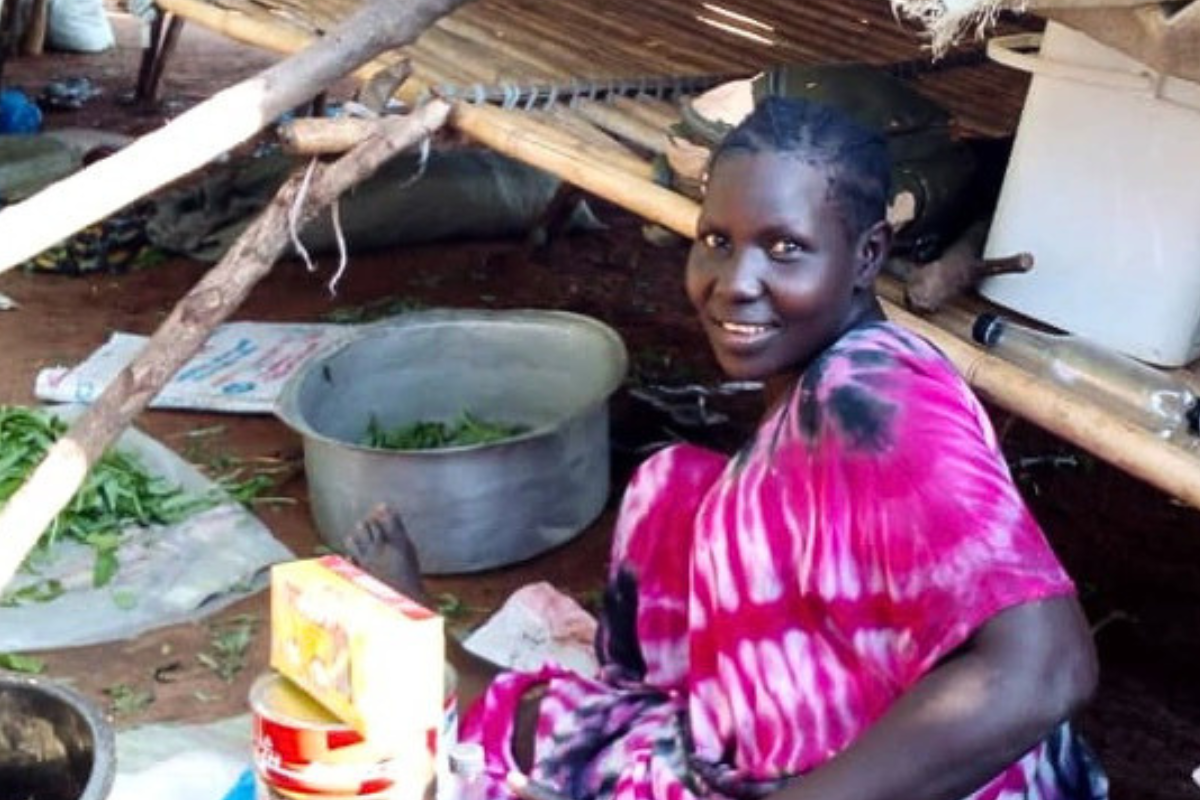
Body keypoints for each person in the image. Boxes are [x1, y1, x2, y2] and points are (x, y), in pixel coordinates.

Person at [348, 95, 1107, 800]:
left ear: (868, 256)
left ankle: (454, 674)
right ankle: (468, 673)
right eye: (717, 241)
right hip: (818, 723)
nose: (734, 283)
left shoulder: (873, 397)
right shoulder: (823, 384)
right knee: (675, 487)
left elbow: (1047, 670)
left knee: (594, 746)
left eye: (784, 249)